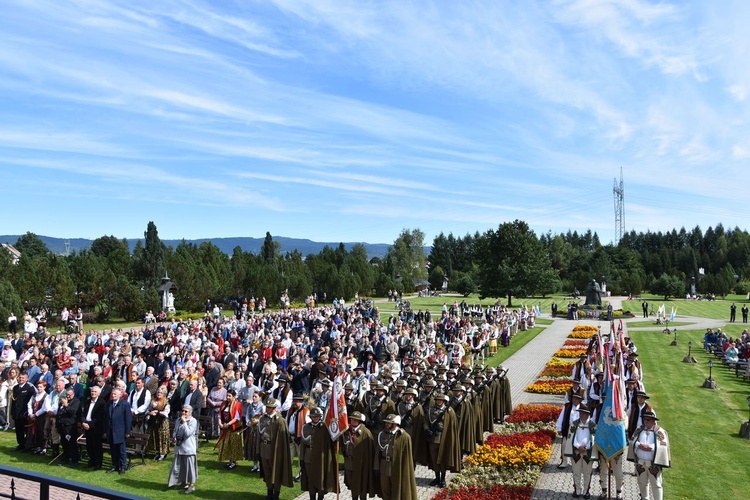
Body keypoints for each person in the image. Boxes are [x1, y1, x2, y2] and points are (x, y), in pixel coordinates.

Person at [628, 410, 670, 500]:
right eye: (644, 419)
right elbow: (632, 441)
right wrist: (639, 445)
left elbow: (663, 445)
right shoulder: (639, 430)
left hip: (653, 465)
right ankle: (644, 498)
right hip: (640, 463)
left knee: (657, 484)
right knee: (642, 483)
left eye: (648, 420)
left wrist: (651, 447)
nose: (646, 421)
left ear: (654, 421)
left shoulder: (660, 432)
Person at [374, 414, 417, 500]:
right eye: (386, 422)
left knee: (396, 491)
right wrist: (376, 467)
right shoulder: (382, 434)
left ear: (395, 424)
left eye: (389, 423)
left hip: (396, 468)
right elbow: (378, 452)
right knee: (385, 490)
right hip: (383, 467)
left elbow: (407, 457)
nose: (386, 424)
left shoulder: (404, 437)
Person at [423, 393, 461, 487]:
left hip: (444, 439)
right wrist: (427, 429)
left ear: (444, 401)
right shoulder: (431, 410)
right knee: (434, 459)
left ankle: (443, 479)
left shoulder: (449, 411)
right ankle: (437, 478)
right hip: (433, 439)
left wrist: (444, 429)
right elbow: (425, 421)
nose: (439, 402)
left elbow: (453, 424)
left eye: (441, 400)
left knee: (443, 459)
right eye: (437, 400)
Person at [258, 397, 293, 500]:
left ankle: (276, 493)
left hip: (275, 450)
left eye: (270, 407)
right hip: (265, 448)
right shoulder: (263, 418)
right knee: (267, 471)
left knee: (276, 472)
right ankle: (269, 492)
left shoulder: (280, 420)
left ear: (274, 408)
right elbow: (259, 434)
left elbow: (282, 439)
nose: (268, 409)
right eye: (267, 407)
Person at [300, 406, 338, 500]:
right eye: (313, 416)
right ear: (311, 417)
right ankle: (312, 497)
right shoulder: (306, 427)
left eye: (317, 416)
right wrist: (301, 459)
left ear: (320, 417)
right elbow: (302, 445)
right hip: (308, 457)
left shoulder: (325, 427)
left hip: (321, 458)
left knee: (321, 479)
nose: (315, 418)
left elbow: (331, 441)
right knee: (311, 480)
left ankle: (320, 497)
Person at [341, 411, 376, 500]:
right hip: (349, 463)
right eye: (352, 419)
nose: (353, 421)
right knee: (352, 486)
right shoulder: (347, 431)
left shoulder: (366, 433)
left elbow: (371, 451)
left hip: (361, 465)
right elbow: (343, 444)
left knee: (362, 487)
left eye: (356, 420)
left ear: (359, 421)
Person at [564, 405, 597, 499]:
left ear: (587, 414)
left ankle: (586, 491)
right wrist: (578, 446)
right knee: (576, 472)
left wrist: (586, 447)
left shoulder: (593, 425)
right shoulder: (574, 424)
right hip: (576, 452)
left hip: (588, 453)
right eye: (580, 413)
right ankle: (577, 490)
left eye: (583, 413)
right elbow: (571, 438)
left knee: (587, 473)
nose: (581, 415)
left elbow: (594, 439)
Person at [169, 405, 199, 494]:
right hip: (179, 448)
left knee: (190, 468)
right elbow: (175, 430)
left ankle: (191, 485)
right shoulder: (178, 420)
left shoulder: (193, 421)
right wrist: (174, 437)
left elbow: (188, 433)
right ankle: (183, 483)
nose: (183, 413)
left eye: (186, 411)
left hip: (188, 448)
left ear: (190, 412)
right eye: (183, 411)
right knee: (180, 466)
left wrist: (184, 422)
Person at [105, 387, 132, 475]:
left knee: (121, 451)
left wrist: (127, 432)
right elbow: (106, 419)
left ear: (120, 395)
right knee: (113, 450)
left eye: (115, 394)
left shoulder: (125, 404)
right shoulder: (109, 404)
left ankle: (123, 466)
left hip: (120, 431)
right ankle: (114, 465)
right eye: (112, 394)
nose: (113, 395)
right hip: (111, 431)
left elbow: (128, 419)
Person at [217, 389, 244, 470]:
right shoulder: (223, 403)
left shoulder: (238, 405)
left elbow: (236, 418)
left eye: (229, 396)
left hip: (233, 428)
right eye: (227, 396)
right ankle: (229, 460)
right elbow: (219, 415)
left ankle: (233, 461)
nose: (228, 397)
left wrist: (228, 424)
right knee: (226, 444)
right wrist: (220, 423)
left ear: (233, 396)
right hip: (225, 427)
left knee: (233, 445)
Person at [81, 384, 106, 469]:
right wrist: (84, 422)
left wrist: (89, 424)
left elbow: (99, 417)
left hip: (96, 428)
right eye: (92, 391)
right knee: (89, 445)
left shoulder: (102, 403)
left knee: (97, 446)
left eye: (95, 392)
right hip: (87, 426)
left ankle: (98, 463)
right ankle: (92, 460)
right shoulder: (87, 402)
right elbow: (83, 414)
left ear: (99, 393)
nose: (93, 393)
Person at [56, 388, 81, 467]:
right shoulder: (62, 402)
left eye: (70, 395)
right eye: (67, 395)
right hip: (62, 426)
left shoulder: (76, 402)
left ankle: (74, 460)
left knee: (72, 444)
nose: (68, 396)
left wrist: (66, 405)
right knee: (64, 444)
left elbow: (72, 412)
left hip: (70, 427)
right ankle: (65, 458)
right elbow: (58, 413)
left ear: (73, 394)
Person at [11, 371, 34, 451]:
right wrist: (12, 412)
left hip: (24, 413)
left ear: (26, 379)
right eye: (20, 377)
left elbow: (31, 402)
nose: (21, 379)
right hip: (17, 413)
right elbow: (13, 401)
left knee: (27, 431)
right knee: (18, 430)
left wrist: (28, 412)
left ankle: (27, 446)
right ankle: (21, 444)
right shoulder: (15, 388)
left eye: (23, 378)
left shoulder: (29, 388)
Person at [147, 386, 171, 461]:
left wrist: (159, 412)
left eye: (160, 393)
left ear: (164, 394)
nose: (159, 394)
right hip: (154, 421)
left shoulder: (166, 402)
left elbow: (167, 413)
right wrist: (151, 412)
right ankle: (157, 452)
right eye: (158, 392)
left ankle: (163, 453)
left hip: (162, 422)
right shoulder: (153, 401)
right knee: (155, 436)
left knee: (163, 437)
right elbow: (149, 410)